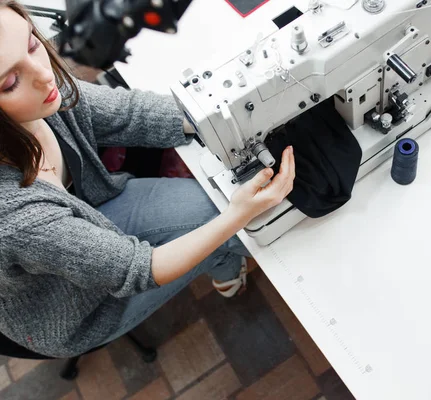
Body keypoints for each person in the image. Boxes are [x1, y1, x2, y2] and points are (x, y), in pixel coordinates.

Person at [0, 0, 295, 358]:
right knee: (227, 220)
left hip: (88, 216)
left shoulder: (43, 92)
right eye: (11, 82)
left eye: (33, 44)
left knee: (217, 217)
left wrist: (216, 111)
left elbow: (127, 113)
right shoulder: (14, 217)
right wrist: (238, 215)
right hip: (77, 310)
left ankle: (225, 264)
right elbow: (137, 269)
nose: (45, 75)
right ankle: (227, 268)